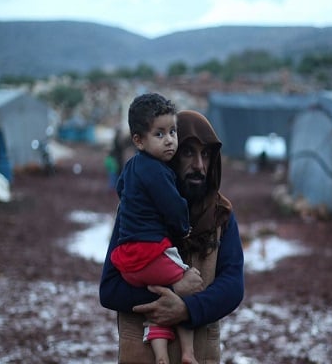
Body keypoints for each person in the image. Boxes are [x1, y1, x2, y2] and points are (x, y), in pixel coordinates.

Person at [100, 108, 245, 364]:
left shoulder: (221, 215)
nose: (199, 165)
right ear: (170, 154)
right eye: (188, 152)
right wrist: (171, 291)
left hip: (200, 357)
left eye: (206, 154)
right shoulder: (136, 210)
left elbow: (233, 285)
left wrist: (187, 309)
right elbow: (110, 289)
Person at [109, 93, 198, 364]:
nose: (170, 139)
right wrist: (184, 229)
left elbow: (120, 189)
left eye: (172, 131)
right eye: (159, 134)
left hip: (128, 259)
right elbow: (173, 206)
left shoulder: (132, 166)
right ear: (138, 140)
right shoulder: (158, 170)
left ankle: (160, 356)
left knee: (161, 300)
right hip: (152, 251)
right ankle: (187, 353)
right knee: (188, 287)